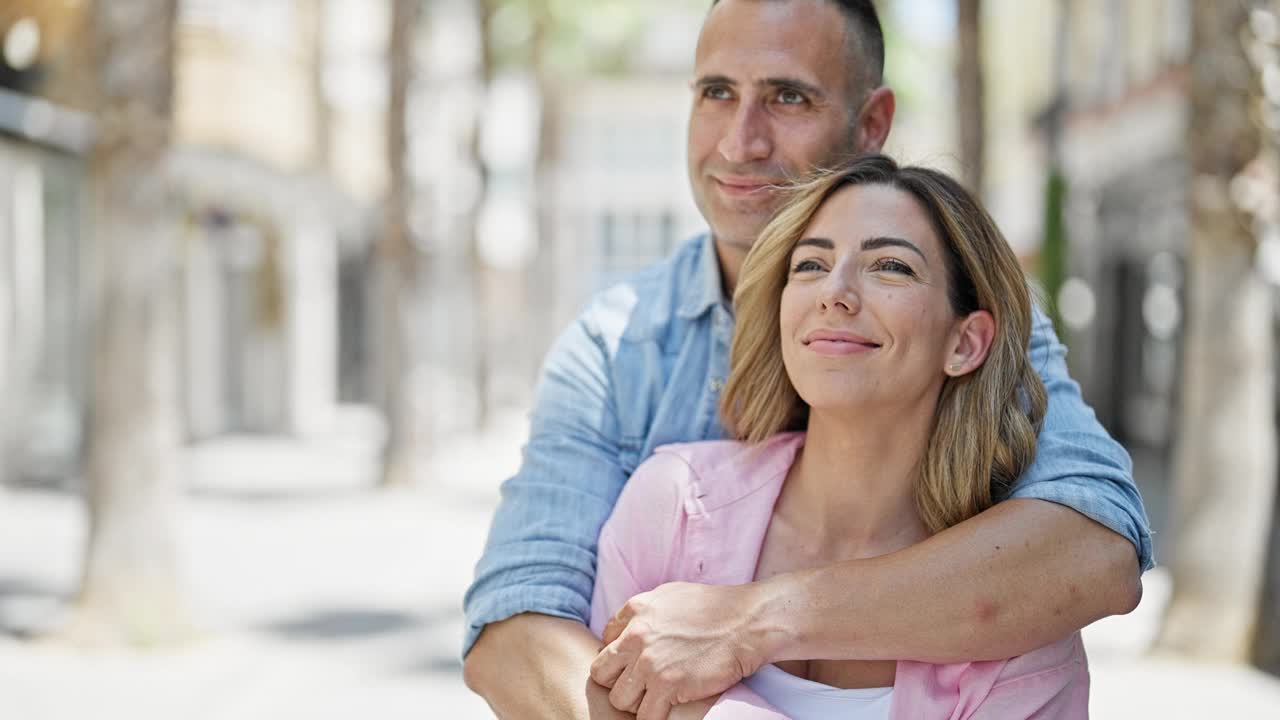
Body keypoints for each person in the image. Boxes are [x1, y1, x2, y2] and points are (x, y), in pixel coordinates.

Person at [463, 1, 1151, 718]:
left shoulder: (988, 330)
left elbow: (1093, 552)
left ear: (872, 123)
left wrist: (755, 618)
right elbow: (514, 629)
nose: (740, 141)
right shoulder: (616, 357)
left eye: (788, 97)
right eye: (716, 93)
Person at [589, 155, 1088, 719]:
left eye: (891, 267)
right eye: (809, 265)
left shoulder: (1025, 613)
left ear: (966, 343)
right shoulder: (674, 504)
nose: (835, 292)